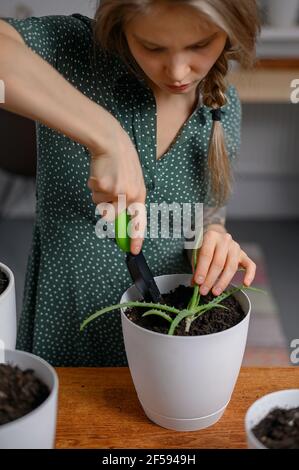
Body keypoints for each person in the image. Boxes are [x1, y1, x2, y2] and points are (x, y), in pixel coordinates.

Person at [0, 0, 259, 366]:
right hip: (67, 332)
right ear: (121, 27)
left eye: (200, 45)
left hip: (166, 348)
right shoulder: (76, 53)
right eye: (153, 47)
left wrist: (210, 239)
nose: (178, 71)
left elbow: (206, 218)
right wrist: (105, 136)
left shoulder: (224, 106)